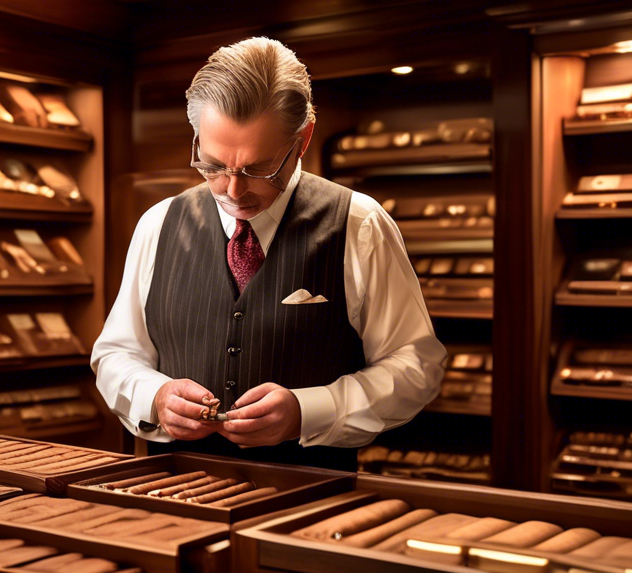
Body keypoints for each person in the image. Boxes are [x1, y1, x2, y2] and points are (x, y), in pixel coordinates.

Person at [92, 37, 446, 471]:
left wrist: (308, 410)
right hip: (172, 495)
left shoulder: (359, 224)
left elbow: (416, 367)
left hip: (311, 503)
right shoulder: (158, 223)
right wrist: (155, 396)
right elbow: (115, 355)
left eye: (258, 168)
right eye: (214, 165)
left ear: (302, 139)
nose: (233, 190)